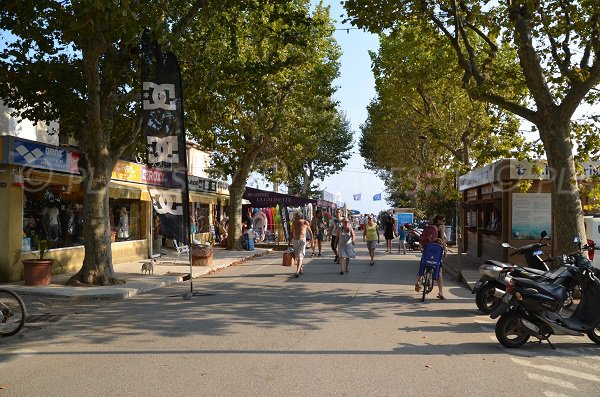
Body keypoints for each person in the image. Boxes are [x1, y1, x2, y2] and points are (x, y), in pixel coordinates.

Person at [415, 215, 448, 299]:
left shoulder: (429, 226)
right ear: (439, 220)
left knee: (423, 263)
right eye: (443, 220)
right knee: (439, 269)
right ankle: (440, 292)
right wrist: (445, 250)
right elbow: (442, 240)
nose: (444, 222)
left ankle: (418, 282)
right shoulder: (441, 227)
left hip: (427, 248)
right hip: (436, 250)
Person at [289, 212, 315, 277]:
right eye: (295, 216)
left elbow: (310, 232)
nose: (295, 217)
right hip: (294, 241)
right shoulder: (294, 223)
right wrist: (289, 242)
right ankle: (300, 268)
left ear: (300, 217)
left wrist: (312, 240)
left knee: (300, 256)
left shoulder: (305, 222)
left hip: (302, 241)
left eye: (296, 216)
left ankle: (297, 271)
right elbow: (292, 233)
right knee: (297, 256)